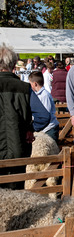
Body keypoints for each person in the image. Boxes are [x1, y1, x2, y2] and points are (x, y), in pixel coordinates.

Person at [0, 45, 51, 187]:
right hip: (19, 148)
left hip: (14, 146)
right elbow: (43, 116)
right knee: (15, 194)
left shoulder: (24, 88)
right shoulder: (24, 88)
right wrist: (29, 129)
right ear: (13, 64)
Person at [28, 71, 60, 143]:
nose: (30, 86)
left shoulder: (44, 95)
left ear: (35, 84)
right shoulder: (38, 95)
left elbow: (45, 114)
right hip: (44, 128)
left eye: (30, 84)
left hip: (49, 128)